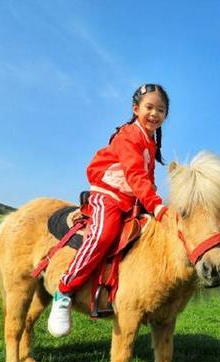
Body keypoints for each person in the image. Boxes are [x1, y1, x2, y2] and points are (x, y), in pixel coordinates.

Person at [47, 84, 170, 337]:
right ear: (136, 109)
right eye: (149, 107)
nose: (154, 113)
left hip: (131, 201)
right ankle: (65, 289)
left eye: (161, 110)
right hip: (109, 195)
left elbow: (148, 178)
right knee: (104, 233)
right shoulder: (128, 135)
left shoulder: (150, 143)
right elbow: (136, 175)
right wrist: (156, 205)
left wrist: (152, 204)